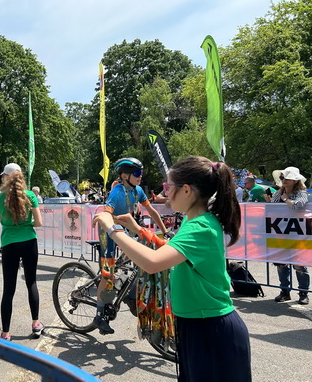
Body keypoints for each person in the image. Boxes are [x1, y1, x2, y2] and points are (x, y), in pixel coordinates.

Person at [93, 156, 251, 382]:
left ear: (186, 190)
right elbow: (170, 250)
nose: (165, 193)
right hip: (196, 324)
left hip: (210, 328)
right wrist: (138, 230)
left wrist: (112, 229)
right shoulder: (192, 220)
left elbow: (153, 262)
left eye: (168, 187)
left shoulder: (201, 227)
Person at [92, 158, 169, 335]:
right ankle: (99, 316)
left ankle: (127, 292)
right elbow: (106, 215)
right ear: (125, 176)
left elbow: (152, 211)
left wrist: (165, 232)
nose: (140, 176)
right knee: (108, 275)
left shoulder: (138, 190)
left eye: (141, 173)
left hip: (125, 229)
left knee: (139, 259)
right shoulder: (117, 192)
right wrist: (117, 225)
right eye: (137, 173)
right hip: (108, 231)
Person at [0, 163, 43, 341]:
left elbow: (2, 221)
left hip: (9, 243)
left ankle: (6, 332)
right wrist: (26, 224)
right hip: (29, 241)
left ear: (5, 178)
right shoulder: (30, 195)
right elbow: (39, 222)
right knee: (31, 282)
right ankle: (36, 324)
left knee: (8, 289)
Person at [267, 166, 309, 305]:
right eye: (282, 177)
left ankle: (303, 293)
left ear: (295, 181)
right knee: (281, 264)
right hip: (280, 234)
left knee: (299, 265)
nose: (283, 180)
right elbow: (272, 209)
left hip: (297, 234)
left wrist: (286, 200)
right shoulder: (278, 193)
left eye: (287, 178)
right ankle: (284, 291)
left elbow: (298, 206)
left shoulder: (301, 193)